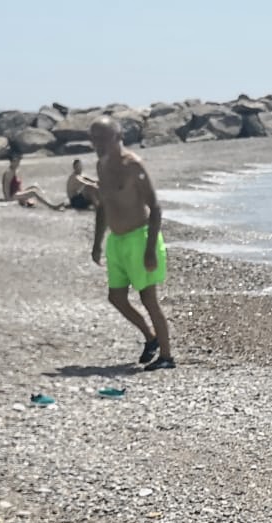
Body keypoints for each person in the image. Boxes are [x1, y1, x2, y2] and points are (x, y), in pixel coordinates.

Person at [88, 117, 176, 371]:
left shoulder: (133, 165)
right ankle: (151, 339)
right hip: (117, 240)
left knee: (149, 299)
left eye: (102, 138)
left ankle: (167, 356)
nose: (97, 144)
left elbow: (156, 207)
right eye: (94, 139)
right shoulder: (101, 165)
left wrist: (150, 249)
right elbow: (103, 206)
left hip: (140, 238)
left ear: (117, 137)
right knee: (116, 297)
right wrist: (97, 243)